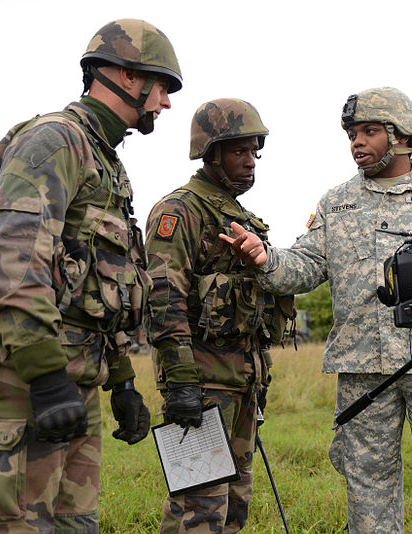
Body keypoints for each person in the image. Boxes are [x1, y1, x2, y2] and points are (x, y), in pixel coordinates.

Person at [221, 86, 412, 533]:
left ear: (401, 135)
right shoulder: (336, 202)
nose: (356, 142)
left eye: (369, 131)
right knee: (367, 490)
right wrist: (265, 258)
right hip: (362, 373)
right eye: (351, 134)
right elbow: (305, 266)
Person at [0, 19, 182, 533]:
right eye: (161, 86)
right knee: (10, 526)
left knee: (74, 524)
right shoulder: (57, 141)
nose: (165, 102)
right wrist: (47, 375)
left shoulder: (106, 161)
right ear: (123, 74)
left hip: (72, 378)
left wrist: (120, 382)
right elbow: (10, 254)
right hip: (18, 375)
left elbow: (102, 281)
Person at [145, 98, 294, 533]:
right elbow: (162, 298)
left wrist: (257, 378)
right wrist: (181, 383)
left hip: (242, 382)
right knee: (198, 508)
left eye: (254, 152)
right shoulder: (181, 211)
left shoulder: (238, 216)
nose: (250, 163)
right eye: (238, 152)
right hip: (201, 384)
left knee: (234, 506)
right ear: (210, 153)